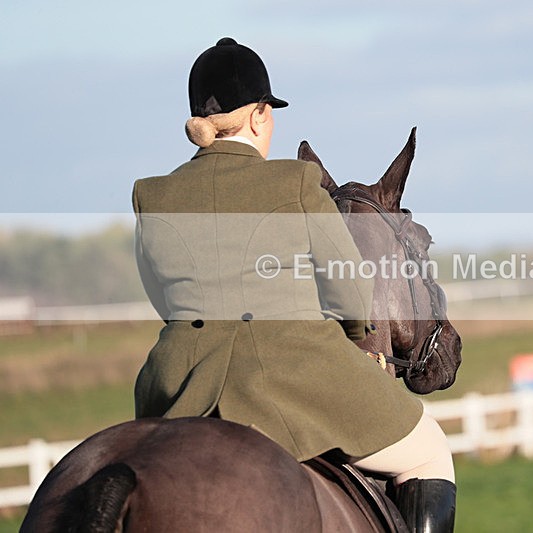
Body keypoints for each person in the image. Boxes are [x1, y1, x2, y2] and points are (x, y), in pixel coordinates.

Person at [132, 38, 455, 532]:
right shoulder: (295, 183)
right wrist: (356, 344)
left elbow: (163, 298)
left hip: (177, 385)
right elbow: (349, 293)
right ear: (260, 116)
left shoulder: (152, 196)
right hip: (293, 377)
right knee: (430, 453)